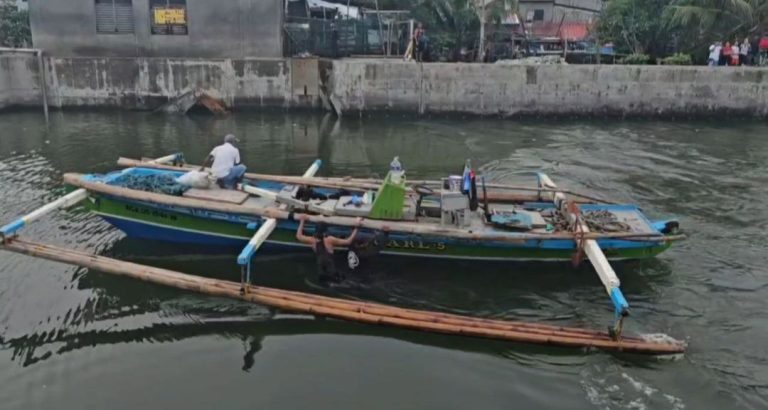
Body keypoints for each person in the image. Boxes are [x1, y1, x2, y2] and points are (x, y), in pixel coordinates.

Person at [295, 215, 362, 283]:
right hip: (332, 273)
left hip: (321, 274)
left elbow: (299, 236)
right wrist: (356, 228)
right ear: (325, 232)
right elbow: (348, 241)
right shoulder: (330, 240)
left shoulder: (312, 240)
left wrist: (302, 221)